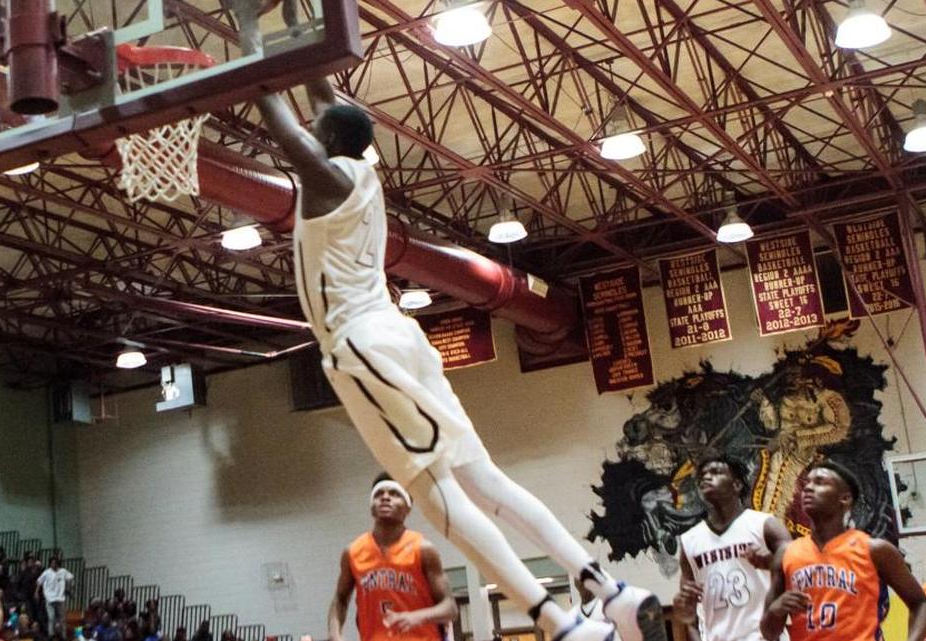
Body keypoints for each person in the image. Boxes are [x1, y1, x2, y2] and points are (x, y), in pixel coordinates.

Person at [230, 4, 663, 641]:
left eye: (319, 123)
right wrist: (303, 31)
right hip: (396, 333)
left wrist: (245, 29)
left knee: (437, 499)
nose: (316, 120)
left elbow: (283, 126)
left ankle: (561, 622)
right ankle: (608, 590)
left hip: (361, 343)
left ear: (327, 138)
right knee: (484, 479)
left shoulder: (324, 179)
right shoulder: (359, 168)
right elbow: (324, 97)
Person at [760, 461, 926, 641]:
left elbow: (920, 603)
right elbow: (769, 633)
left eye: (820, 482)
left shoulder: (875, 549)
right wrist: (776, 610)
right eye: (807, 482)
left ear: (845, 499)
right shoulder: (786, 553)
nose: (808, 488)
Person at [674, 456, 791, 641]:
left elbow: (796, 569)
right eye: (703, 475)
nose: (706, 477)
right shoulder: (689, 541)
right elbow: (689, 615)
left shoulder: (765, 525)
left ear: (736, 485)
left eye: (716, 472)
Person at [327, 474, 456, 641]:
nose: (386, 497)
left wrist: (417, 616)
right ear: (371, 506)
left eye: (395, 494)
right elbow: (340, 599)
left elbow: (450, 608)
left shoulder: (423, 549)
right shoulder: (352, 552)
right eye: (379, 494)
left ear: (408, 507)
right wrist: (334, 634)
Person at [37, 557, 73, 641]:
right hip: (49, 598)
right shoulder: (46, 572)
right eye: (52, 563)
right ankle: (51, 635)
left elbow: (71, 578)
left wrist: (70, 587)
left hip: (60, 598)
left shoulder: (63, 571)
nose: (53, 564)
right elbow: (39, 581)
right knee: (51, 617)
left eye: (55, 563)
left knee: (62, 618)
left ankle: (63, 636)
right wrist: (36, 592)